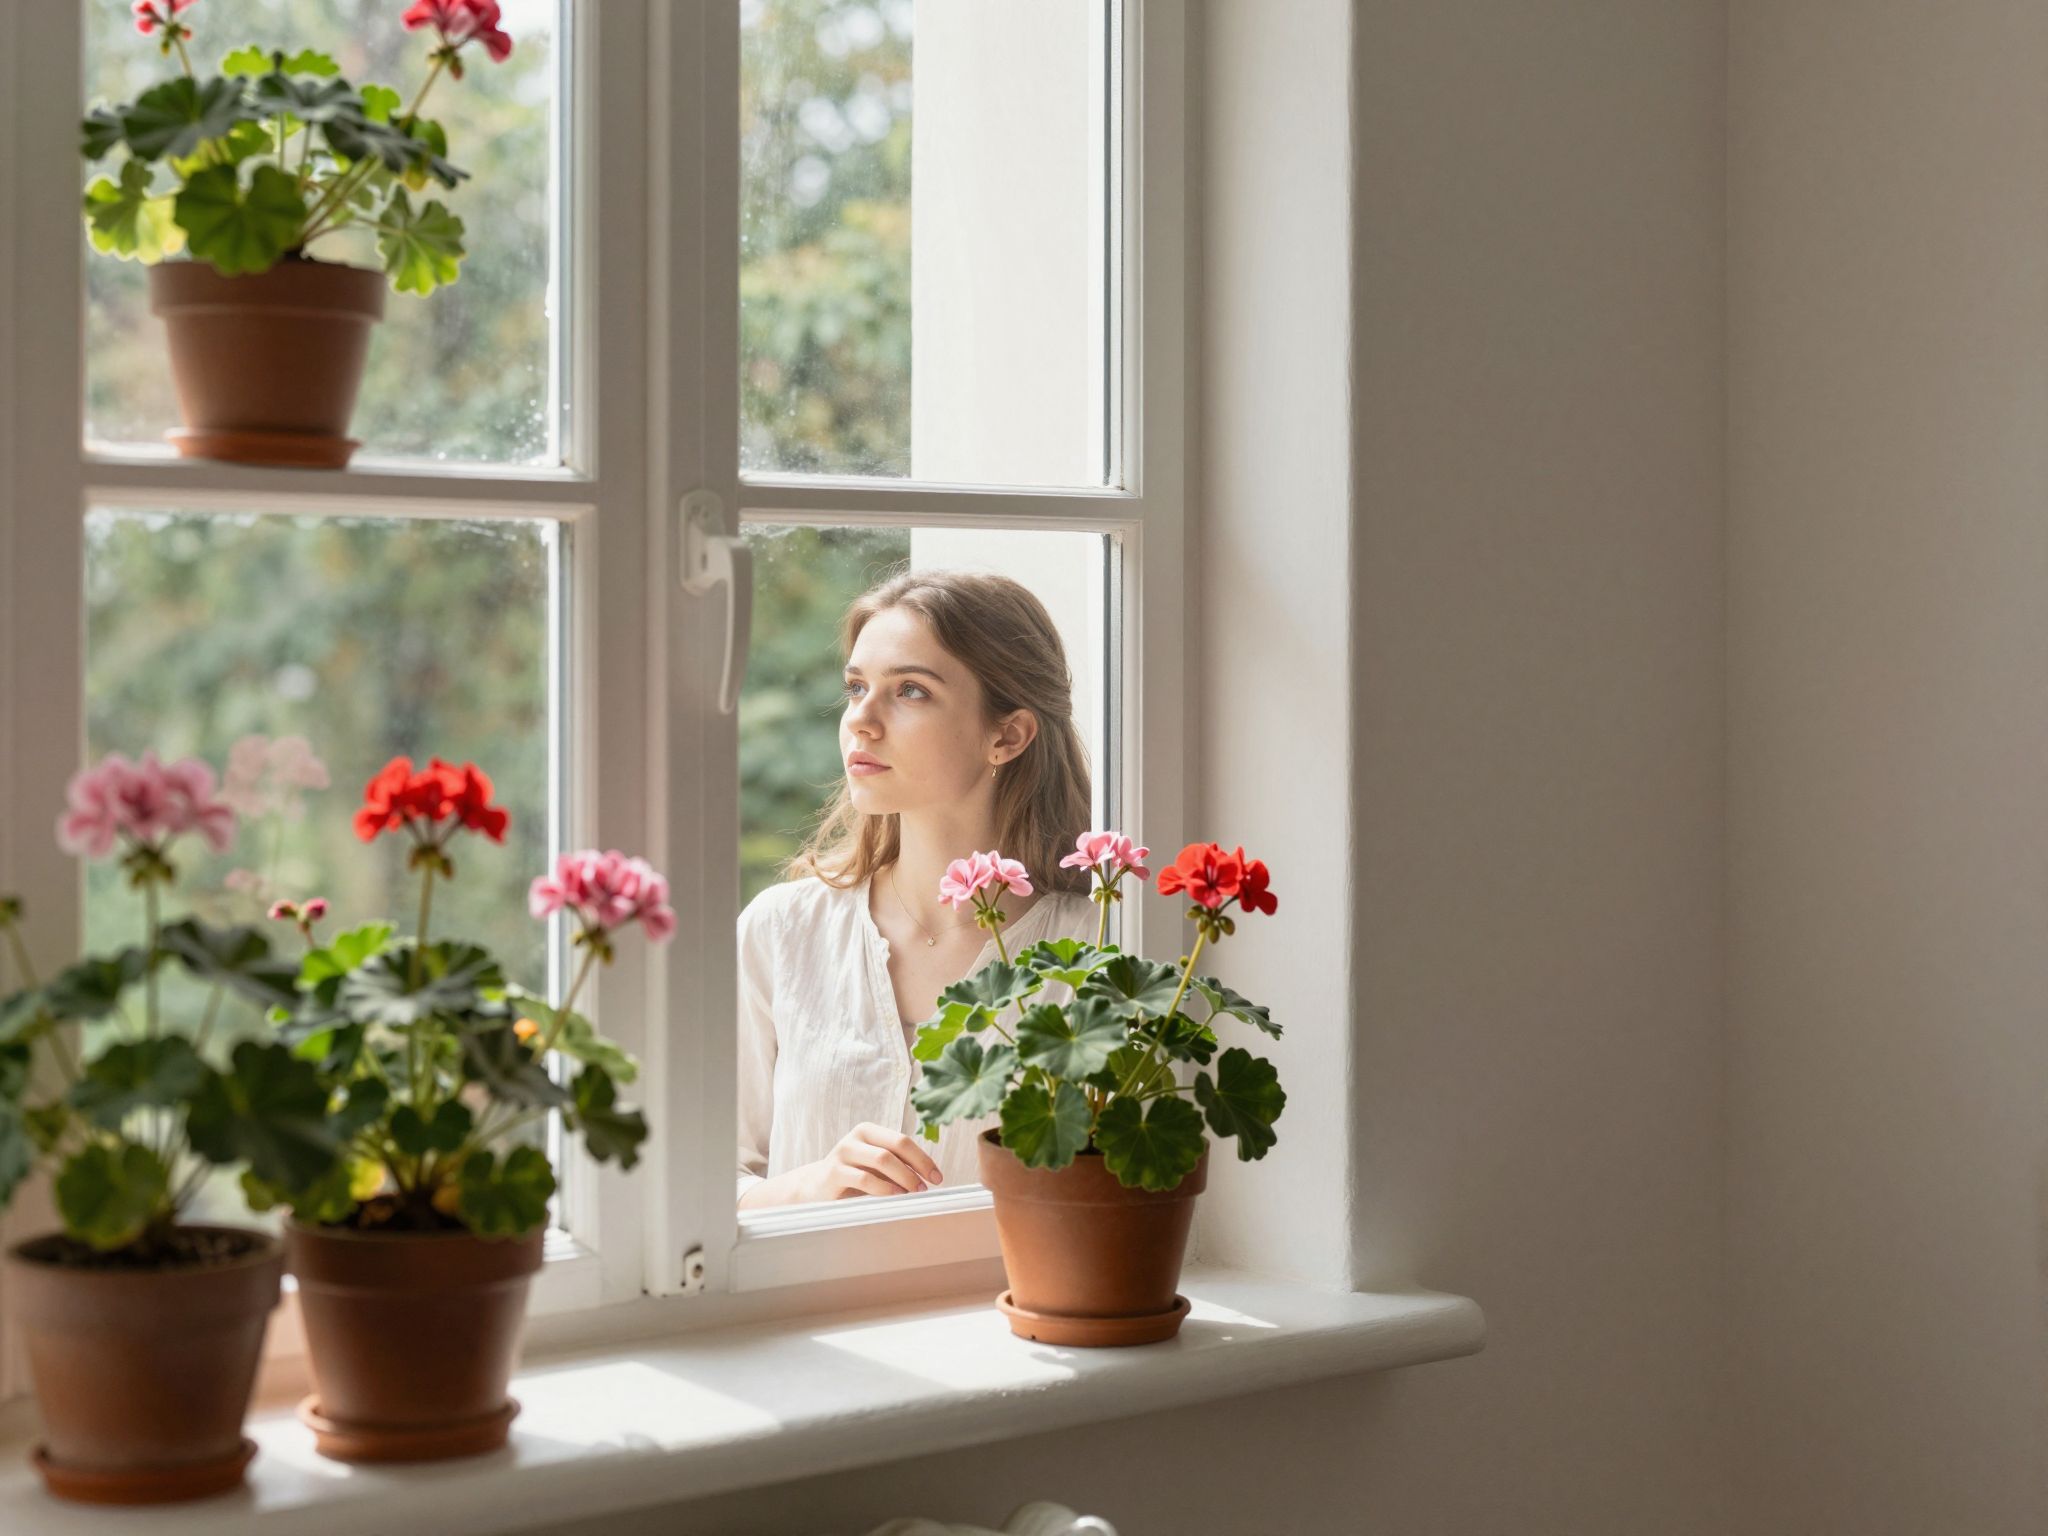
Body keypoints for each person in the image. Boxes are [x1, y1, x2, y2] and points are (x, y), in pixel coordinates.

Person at [736, 569, 1100, 1209]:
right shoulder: (782, 931)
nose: (861, 722)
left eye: (909, 690)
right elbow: (699, 1193)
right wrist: (812, 1186)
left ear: (1007, 735)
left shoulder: (1091, 950)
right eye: (855, 688)